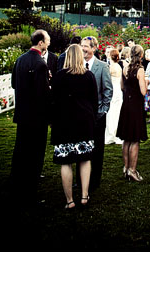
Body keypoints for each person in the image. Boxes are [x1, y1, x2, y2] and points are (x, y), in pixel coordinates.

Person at [50, 44, 98, 209]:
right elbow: (94, 101)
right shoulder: (89, 76)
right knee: (85, 159)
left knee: (66, 162)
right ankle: (84, 196)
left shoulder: (58, 77)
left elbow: (53, 101)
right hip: (84, 122)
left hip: (64, 123)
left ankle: (70, 200)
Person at [9, 29, 52, 204]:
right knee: (35, 153)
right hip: (37, 116)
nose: (49, 43)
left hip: (22, 113)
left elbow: (13, 83)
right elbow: (43, 94)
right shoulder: (40, 64)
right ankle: (30, 190)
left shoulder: (20, 60)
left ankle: (16, 181)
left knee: (21, 149)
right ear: (40, 42)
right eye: (47, 41)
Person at [80, 36, 112, 191]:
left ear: (94, 48)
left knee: (97, 150)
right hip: (80, 116)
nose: (83, 49)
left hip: (97, 115)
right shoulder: (77, 64)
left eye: (86, 46)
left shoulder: (102, 66)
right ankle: (80, 180)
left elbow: (108, 91)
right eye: (81, 46)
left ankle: (94, 181)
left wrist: (102, 111)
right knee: (81, 147)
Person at [117, 44, 149, 182]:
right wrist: (146, 82)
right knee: (135, 139)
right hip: (136, 106)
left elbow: (122, 86)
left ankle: (125, 167)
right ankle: (132, 170)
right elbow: (143, 91)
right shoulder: (140, 70)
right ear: (141, 56)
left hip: (126, 105)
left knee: (126, 139)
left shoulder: (125, 68)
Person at [104, 48, 124, 145]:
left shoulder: (111, 67)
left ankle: (111, 135)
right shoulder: (119, 67)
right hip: (118, 91)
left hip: (113, 90)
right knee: (117, 112)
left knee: (111, 113)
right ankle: (115, 134)